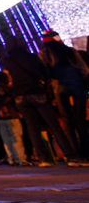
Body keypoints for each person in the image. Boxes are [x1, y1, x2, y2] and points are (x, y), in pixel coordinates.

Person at [2, 36, 85, 167]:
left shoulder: (7, 61)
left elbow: (8, 79)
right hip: (37, 93)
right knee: (54, 125)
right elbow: (44, 72)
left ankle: (44, 159)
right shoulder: (31, 57)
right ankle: (71, 156)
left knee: (32, 128)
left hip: (20, 96)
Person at [38, 29, 89, 159]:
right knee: (81, 119)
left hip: (60, 87)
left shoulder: (45, 53)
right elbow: (84, 69)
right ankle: (85, 149)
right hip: (77, 85)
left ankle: (74, 152)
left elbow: (45, 72)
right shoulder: (70, 51)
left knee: (67, 120)